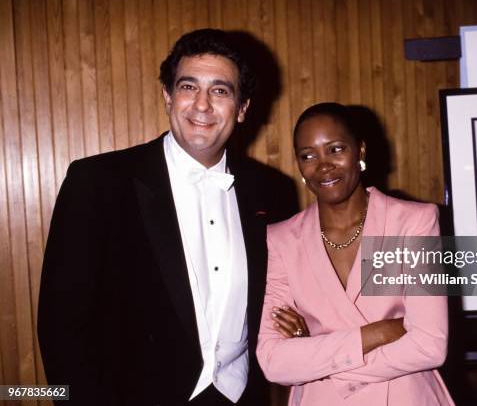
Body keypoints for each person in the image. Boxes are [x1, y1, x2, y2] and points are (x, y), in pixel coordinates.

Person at [38, 29, 297, 405]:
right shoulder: (98, 182)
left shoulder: (270, 189)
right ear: (167, 96)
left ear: (242, 109)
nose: (202, 105)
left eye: (220, 91)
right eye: (188, 87)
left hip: (241, 396)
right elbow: (61, 325)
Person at [256, 102, 454, 405]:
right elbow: (273, 361)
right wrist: (378, 333)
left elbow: (430, 345)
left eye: (336, 149)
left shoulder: (413, 222)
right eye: (308, 155)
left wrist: (317, 359)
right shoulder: (282, 238)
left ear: (360, 152)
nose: (323, 166)